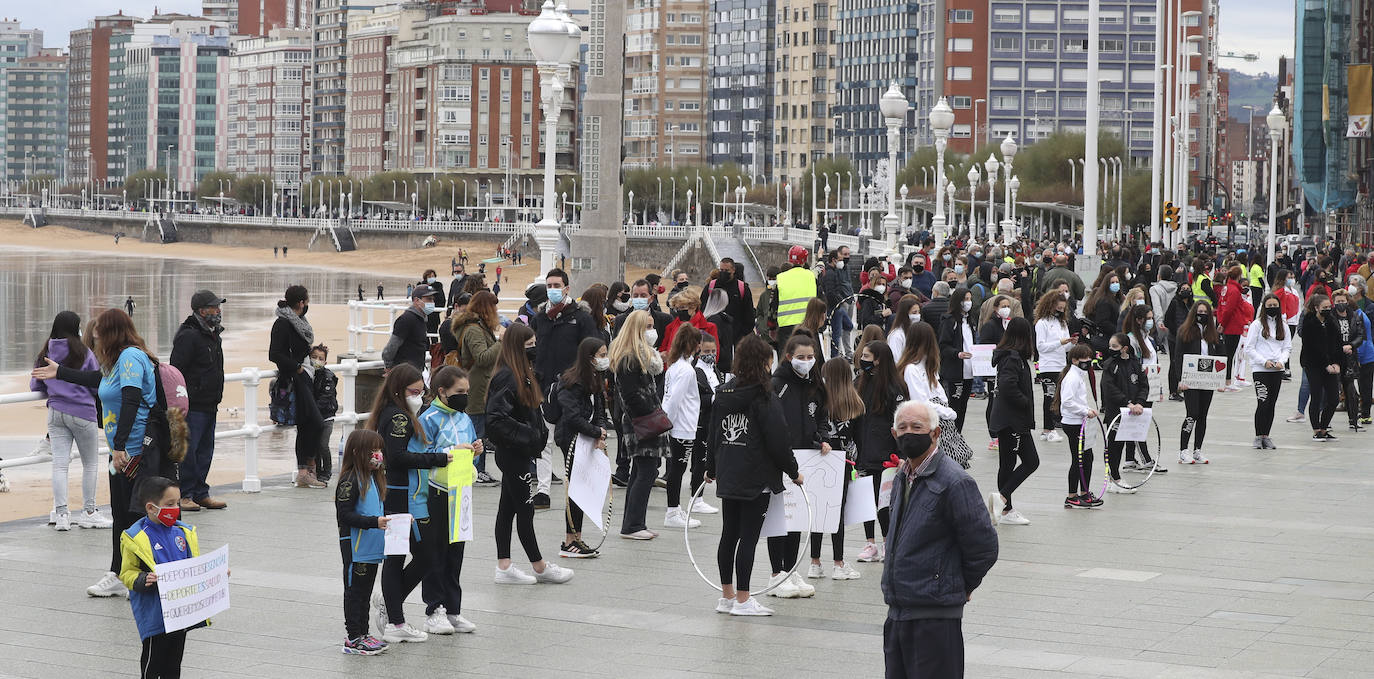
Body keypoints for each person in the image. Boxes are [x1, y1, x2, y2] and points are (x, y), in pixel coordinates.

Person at [33, 309, 163, 598]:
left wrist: (119, 447)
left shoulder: (130, 358)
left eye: (98, 333)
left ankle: (132, 574)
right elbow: (97, 379)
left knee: (134, 513)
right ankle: (123, 573)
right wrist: (61, 373)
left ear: (111, 333)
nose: (94, 337)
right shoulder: (116, 362)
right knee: (121, 512)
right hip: (123, 452)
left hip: (132, 452)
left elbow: (130, 400)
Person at [880, 401, 999, 679]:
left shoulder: (954, 481)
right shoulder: (902, 476)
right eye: (903, 427)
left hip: (935, 616)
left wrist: (958, 583)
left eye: (917, 427)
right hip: (899, 610)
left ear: (935, 433)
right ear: (894, 433)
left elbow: (984, 546)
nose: (909, 432)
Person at [705, 334, 803, 617]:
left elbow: (714, 435)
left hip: (729, 474)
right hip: (756, 477)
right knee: (748, 538)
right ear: (764, 362)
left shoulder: (723, 393)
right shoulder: (764, 396)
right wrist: (793, 471)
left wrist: (711, 468)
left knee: (729, 535)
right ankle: (744, 600)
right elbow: (778, 440)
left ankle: (727, 597)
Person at [364, 363, 450, 643]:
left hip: (394, 494)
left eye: (421, 392)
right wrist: (438, 457)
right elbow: (398, 457)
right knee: (407, 556)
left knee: (406, 556)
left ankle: (392, 606)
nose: (419, 396)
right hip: (400, 497)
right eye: (415, 391)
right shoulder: (399, 418)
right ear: (400, 390)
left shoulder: (387, 413)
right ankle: (395, 620)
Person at [487, 324, 574, 584]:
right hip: (514, 452)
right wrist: (530, 435)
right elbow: (496, 418)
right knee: (525, 511)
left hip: (517, 451)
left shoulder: (520, 373)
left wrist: (533, 436)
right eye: (529, 346)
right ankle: (539, 565)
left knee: (507, 508)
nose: (534, 350)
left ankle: (504, 566)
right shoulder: (508, 376)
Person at [120, 476, 210, 678]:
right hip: (155, 614)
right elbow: (126, 573)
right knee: (153, 663)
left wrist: (215, 573)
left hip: (179, 613)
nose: (176, 508)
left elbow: (192, 566)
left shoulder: (182, 532)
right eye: (170, 504)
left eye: (177, 503)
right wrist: (143, 580)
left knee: (173, 664)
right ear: (151, 508)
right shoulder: (136, 537)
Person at [415, 365, 480, 636]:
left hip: (461, 490)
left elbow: (471, 445)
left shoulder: (464, 418)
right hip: (436, 490)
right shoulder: (428, 418)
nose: (464, 396)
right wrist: (450, 451)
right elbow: (422, 453)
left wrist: (476, 449)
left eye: (467, 391)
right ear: (442, 392)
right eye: (459, 392)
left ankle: (453, 609)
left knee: (456, 552)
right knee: (435, 552)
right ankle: (434, 609)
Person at [30, 311, 109, 531]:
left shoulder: (45, 351)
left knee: (60, 465)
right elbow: (96, 385)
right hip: (83, 412)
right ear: (76, 327)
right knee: (90, 464)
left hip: (55, 412)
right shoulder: (83, 352)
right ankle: (89, 512)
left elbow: (35, 385)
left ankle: (62, 515)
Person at [766, 334, 827, 599]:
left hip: (806, 459)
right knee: (780, 517)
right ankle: (776, 573)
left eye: (810, 357)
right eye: (801, 357)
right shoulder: (776, 384)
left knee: (797, 519)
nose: (806, 362)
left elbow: (823, 415)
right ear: (789, 357)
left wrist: (823, 438)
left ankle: (790, 570)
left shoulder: (815, 384)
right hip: (781, 459)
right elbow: (771, 422)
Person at [531, 268, 596, 508]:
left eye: (557, 285)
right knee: (543, 441)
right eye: (549, 286)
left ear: (567, 288)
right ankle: (543, 490)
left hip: (572, 390)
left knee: (572, 442)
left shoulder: (581, 317)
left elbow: (592, 349)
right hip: (545, 388)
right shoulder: (540, 318)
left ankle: (577, 489)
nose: (552, 290)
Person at [613, 310, 672, 540]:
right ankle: (633, 524)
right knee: (646, 471)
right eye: (647, 327)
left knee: (641, 470)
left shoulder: (637, 356)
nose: (652, 331)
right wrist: (651, 412)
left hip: (642, 420)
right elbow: (631, 396)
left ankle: (634, 522)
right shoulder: (630, 358)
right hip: (642, 422)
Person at [553, 337, 612, 558]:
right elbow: (571, 417)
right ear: (589, 357)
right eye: (602, 355)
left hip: (586, 437)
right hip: (571, 438)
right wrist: (596, 432)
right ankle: (570, 540)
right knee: (575, 489)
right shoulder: (571, 381)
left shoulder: (596, 377)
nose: (605, 359)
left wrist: (601, 431)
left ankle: (577, 537)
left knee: (583, 487)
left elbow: (600, 410)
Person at [335, 429, 391, 656]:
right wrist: (373, 522)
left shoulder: (373, 479)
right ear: (358, 453)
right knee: (354, 591)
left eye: (379, 450)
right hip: (355, 548)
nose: (377, 455)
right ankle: (354, 637)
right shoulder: (350, 480)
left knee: (366, 592)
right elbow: (344, 515)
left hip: (371, 547)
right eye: (372, 451)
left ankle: (364, 633)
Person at [170, 290, 228, 511]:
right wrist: (184, 397)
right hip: (192, 405)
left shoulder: (214, 335)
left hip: (210, 402)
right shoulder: (188, 336)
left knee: (205, 450)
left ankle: (201, 492)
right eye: (214, 307)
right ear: (202, 311)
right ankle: (185, 494)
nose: (218, 311)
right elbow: (176, 371)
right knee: (189, 452)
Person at [808, 357, 864, 581]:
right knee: (836, 513)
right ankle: (838, 563)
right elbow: (859, 440)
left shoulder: (819, 400)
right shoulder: (856, 404)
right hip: (843, 462)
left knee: (818, 511)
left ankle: (814, 562)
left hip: (819, 459)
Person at [854, 340, 908, 563]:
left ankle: (888, 541)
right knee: (866, 500)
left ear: (878, 360)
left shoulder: (894, 388)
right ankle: (870, 543)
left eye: (866, 356)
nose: (862, 360)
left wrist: (902, 455)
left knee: (883, 501)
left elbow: (900, 423)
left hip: (885, 455)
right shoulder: (859, 382)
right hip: (862, 452)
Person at [270, 285, 328, 488]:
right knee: (316, 423)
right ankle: (307, 470)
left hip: (305, 377)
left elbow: (300, 348)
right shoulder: (283, 323)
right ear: (302, 302)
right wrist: (297, 368)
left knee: (306, 425)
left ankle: (305, 472)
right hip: (296, 378)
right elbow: (275, 354)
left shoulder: (299, 322)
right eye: (307, 300)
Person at [987, 317, 1038, 526]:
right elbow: (1008, 386)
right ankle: (1002, 499)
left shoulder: (1010, 357)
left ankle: (1005, 509)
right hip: (1013, 420)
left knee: (1007, 464)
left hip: (1008, 419)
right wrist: (1024, 401)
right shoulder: (1013, 358)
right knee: (1031, 461)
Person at [452, 291, 503, 485]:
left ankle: (478, 469)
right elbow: (481, 358)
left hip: (482, 386)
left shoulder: (479, 326)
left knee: (479, 429)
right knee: (476, 430)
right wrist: (500, 342)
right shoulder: (474, 329)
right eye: (494, 307)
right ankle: (476, 470)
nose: (496, 311)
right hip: (476, 388)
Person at [662, 326, 707, 531]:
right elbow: (674, 400)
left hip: (680, 425)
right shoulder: (686, 370)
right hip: (682, 426)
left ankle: (675, 507)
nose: (700, 347)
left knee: (676, 469)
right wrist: (666, 423)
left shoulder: (676, 367)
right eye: (698, 343)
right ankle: (672, 511)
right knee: (677, 470)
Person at [1098, 333, 1149, 494]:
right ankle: (1114, 478)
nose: (1111, 349)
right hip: (1116, 413)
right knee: (1114, 446)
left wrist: (1140, 402)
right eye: (1110, 346)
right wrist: (1127, 402)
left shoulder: (1135, 363)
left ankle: (1116, 477)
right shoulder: (1110, 365)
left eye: (1115, 347)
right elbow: (1109, 388)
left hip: (1133, 412)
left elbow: (1144, 385)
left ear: (1124, 348)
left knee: (1128, 441)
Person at [1056, 344, 1103, 508]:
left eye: (1090, 358)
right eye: (1084, 358)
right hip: (1073, 423)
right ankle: (1071, 495)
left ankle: (1084, 492)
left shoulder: (1079, 375)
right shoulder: (1072, 377)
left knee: (1087, 457)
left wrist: (1087, 410)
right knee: (1078, 459)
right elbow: (1067, 402)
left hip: (1081, 421)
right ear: (1074, 360)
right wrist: (1085, 410)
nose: (1088, 361)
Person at [1177, 301, 1222, 461]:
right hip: (1190, 379)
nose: (1202, 314)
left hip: (1207, 380)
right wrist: (1179, 380)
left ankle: (1197, 449)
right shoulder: (1185, 331)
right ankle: (1183, 449)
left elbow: (1220, 355)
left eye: (1205, 312)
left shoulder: (1212, 332)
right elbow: (1178, 357)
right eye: (1199, 311)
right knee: (1192, 414)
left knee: (1203, 415)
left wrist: (1221, 381)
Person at [1246, 294, 1292, 449]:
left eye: (1275, 305)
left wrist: (1281, 361)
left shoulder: (1283, 325)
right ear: (1264, 307)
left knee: (1272, 404)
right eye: (1269, 306)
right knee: (1263, 402)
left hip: (1276, 370)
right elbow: (1249, 347)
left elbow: (1287, 347)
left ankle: (1266, 435)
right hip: (1261, 370)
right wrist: (1263, 361)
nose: (1273, 308)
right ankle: (1258, 436)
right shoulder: (1257, 325)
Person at [1033, 291, 1073, 442]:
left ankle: (1051, 427)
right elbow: (1041, 347)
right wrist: (1060, 343)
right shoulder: (1042, 323)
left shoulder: (1062, 323)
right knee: (1049, 397)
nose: (1060, 311)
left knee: (1059, 398)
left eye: (1062, 309)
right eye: (1058, 308)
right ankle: (1048, 429)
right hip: (1048, 366)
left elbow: (1066, 347)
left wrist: (1070, 343)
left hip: (1061, 365)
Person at [936, 288, 977, 430]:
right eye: (966, 299)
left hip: (969, 370)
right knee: (954, 405)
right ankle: (951, 435)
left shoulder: (970, 321)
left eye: (970, 299)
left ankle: (958, 434)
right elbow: (943, 345)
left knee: (963, 406)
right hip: (955, 371)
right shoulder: (949, 320)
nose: (968, 302)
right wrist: (957, 353)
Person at [1216, 265, 1254, 391]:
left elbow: (1222, 307)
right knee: (1229, 354)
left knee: (1227, 354)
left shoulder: (1226, 288)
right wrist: (1223, 324)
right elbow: (1229, 309)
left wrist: (1221, 322)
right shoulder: (1235, 290)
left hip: (1228, 325)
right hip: (1233, 326)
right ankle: (1227, 382)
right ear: (1239, 276)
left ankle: (1226, 381)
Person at [382, 285, 437, 372]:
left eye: (433, 299)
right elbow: (391, 347)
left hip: (416, 370)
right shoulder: (406, 319)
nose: (432, 302)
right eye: (429, 299)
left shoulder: (421, 319)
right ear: (416, 300)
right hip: (405, 371)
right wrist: (389, 367)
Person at [775, 246, 818, 347]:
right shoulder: (811, 276)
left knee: (786, 357)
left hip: (786, 326)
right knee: (806, 356)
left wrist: (772, 326)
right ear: (804, 260)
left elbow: (774, 304)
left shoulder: (780, 278)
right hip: (807, 324)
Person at [309, 345, 339, 484]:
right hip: (313, 417)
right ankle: (317, 471)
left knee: (322, 444)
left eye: (320, 358)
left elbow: (326, 397)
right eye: (314, 357)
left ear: (325, 362)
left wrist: (312, 410)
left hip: (326, 416)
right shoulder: (308, 375)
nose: (317, 360)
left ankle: (326, 472)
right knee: (313, 445)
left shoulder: (328, 377)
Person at [659, 285, 719, 351]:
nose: (679, 311)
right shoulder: (670, 327)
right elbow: (663, 349)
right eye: (677, 308)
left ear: (694, 307)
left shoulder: (710, 328)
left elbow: (714, 353)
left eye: (682, 307)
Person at [821, 246, 856, 359]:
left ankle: (840, 354)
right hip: (835, 307)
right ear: (833, 260)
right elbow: (830, 292)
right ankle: (834, 357)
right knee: (836, 334)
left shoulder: (835, 271)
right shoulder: (830, 273)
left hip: (840, 304)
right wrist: (840, 301)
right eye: (840, 259)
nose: (842, 261)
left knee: (848, 325)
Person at [886, 295, 922, 361]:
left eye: (918, 312)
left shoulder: (917, 332)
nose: (918, 315)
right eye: (914, 312)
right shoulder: (896, 335)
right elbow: (896, 359)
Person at [419, 269, 445, 335]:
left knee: (434, 334)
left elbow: (442, 300)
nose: (431, 278)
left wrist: (435, 311)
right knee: (423, 334)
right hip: (423, 314)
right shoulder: (421, 286)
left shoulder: (438, 286)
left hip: (434, 315)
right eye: (429, 277)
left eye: (433, 276)